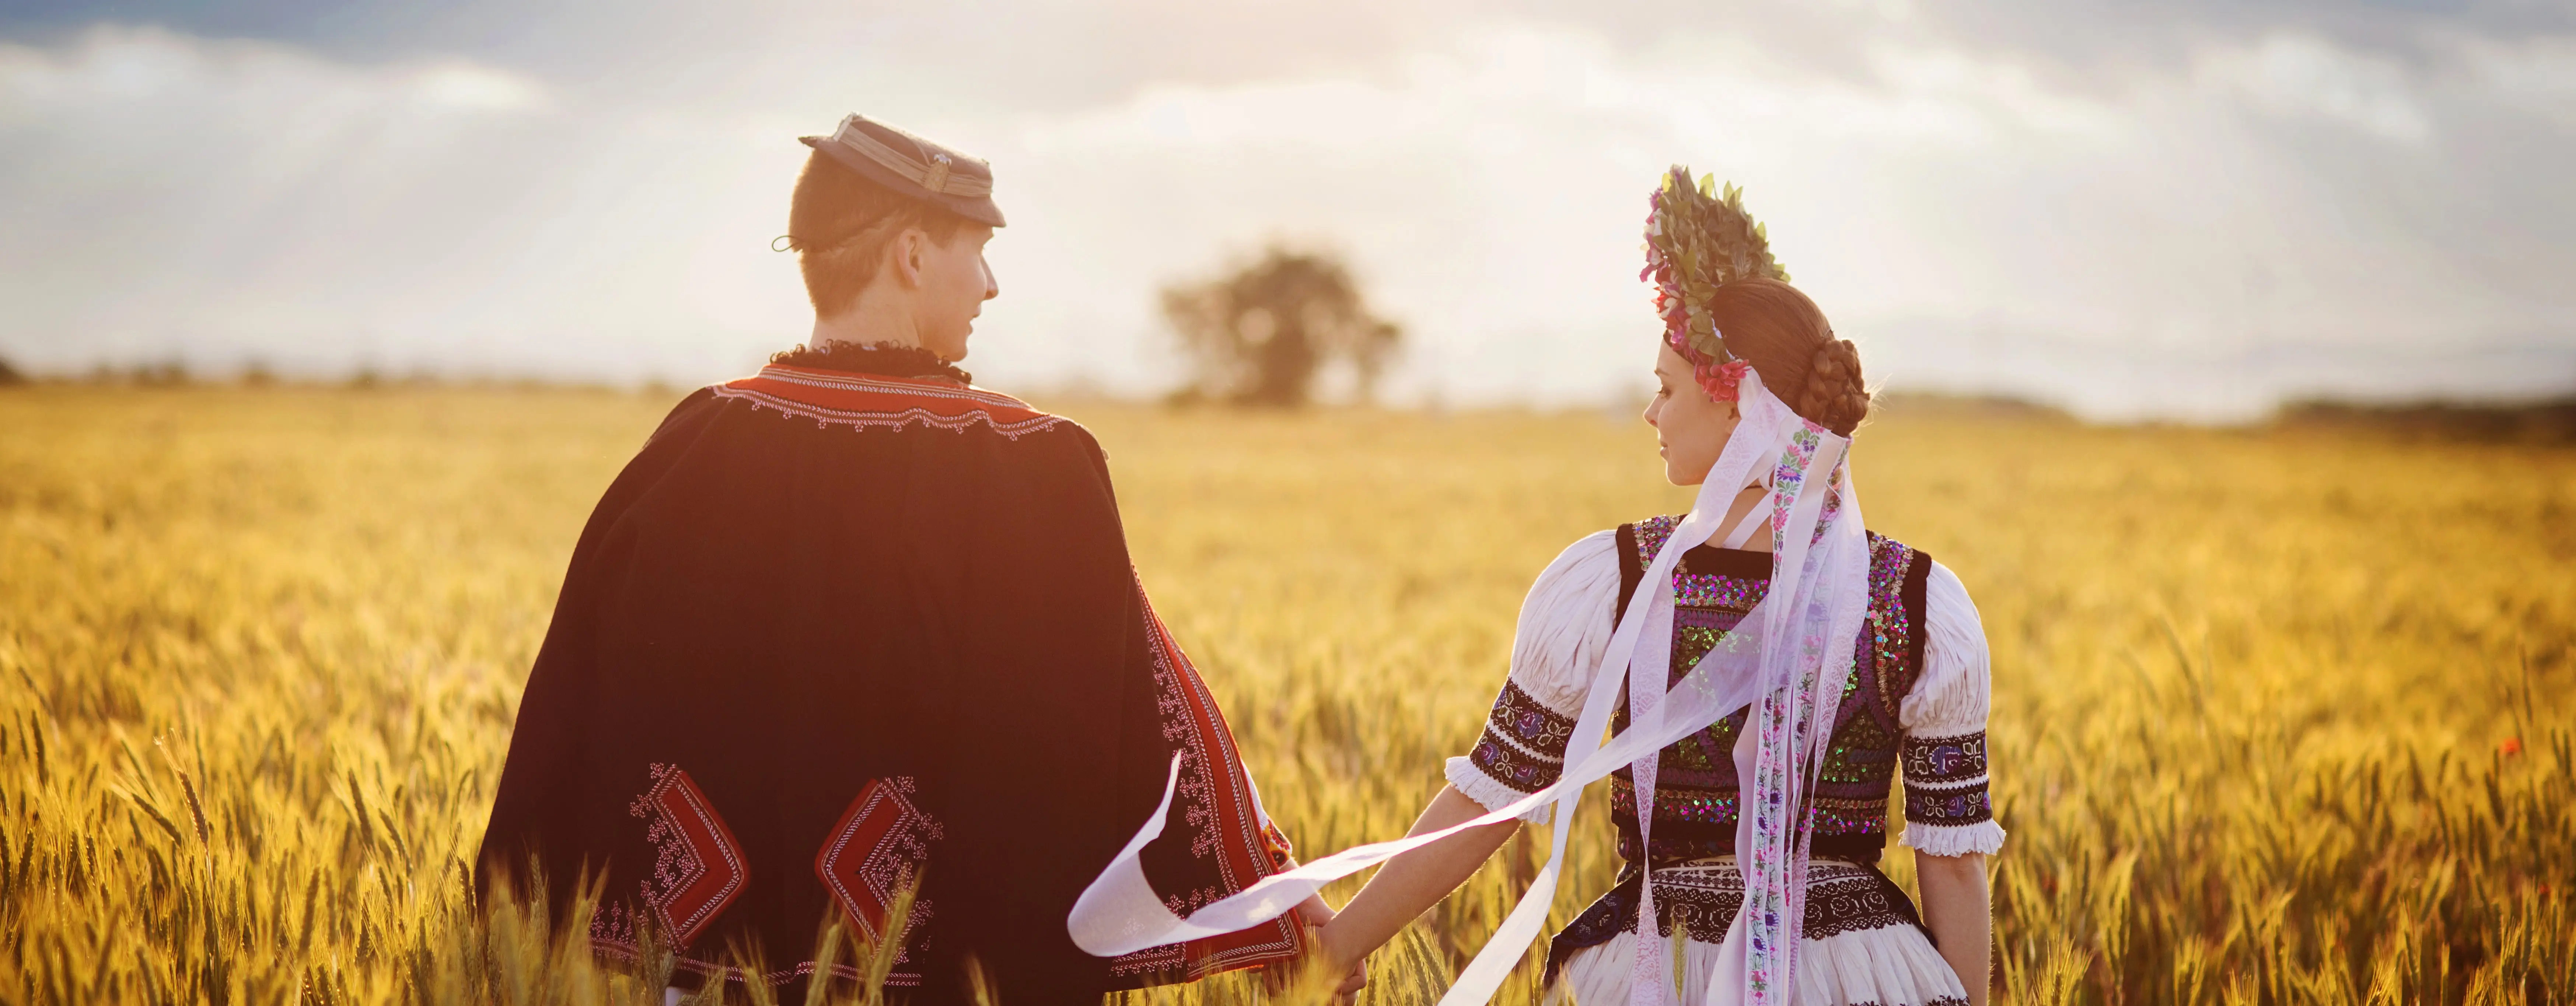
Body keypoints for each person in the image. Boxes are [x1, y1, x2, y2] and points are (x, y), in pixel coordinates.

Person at [475, 112, 1336, 1005]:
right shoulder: (1032, 463)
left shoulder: (692, 445)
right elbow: (1145, 709)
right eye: (979, 250)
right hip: (952, 978)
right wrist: (1271, 900)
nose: (992, 284)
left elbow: (574, 714)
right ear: (914, 257)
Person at [1311, 169, 2006, 1005]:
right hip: (1872, 975)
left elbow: (1490, 800)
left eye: (1667, 388)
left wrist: (1334, 948)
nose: (1652, 414)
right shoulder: (1923, 602)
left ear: (1738, 410)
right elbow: (1957, 865)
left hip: (1662, 971)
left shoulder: (1614, 582)